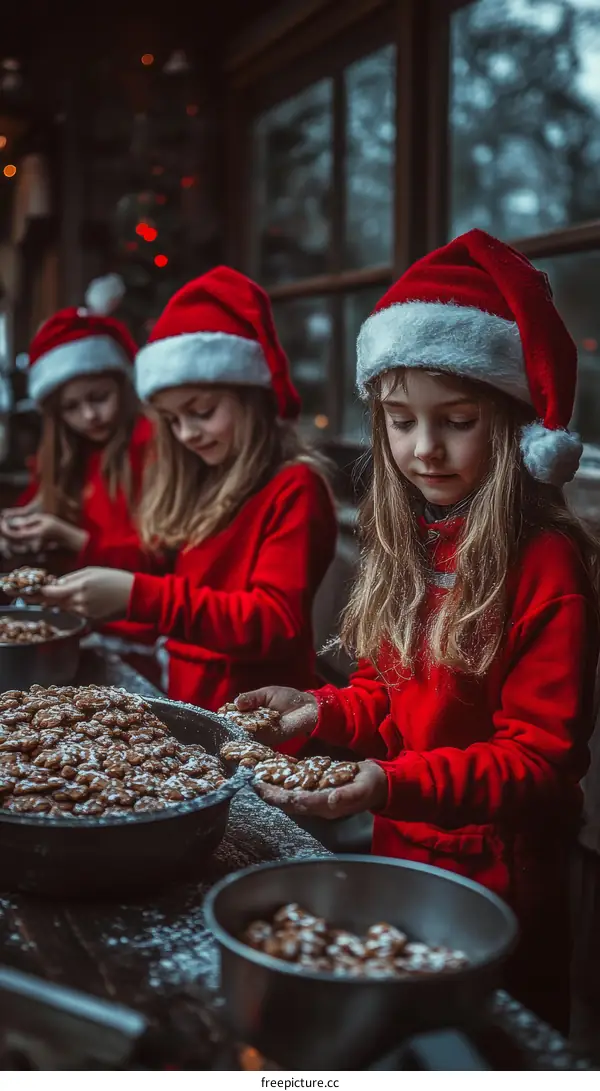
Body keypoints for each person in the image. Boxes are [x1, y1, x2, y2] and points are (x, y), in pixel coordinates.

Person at [231, 229, 600, 1032]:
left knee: (488, 1042)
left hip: (504, 879)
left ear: (510, 424)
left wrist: (391, 783)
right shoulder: (416, 537)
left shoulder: (546, 566)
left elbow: (540, 760)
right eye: (399, 421)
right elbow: (386, 694)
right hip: (405, 848)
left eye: (456, 420)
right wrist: (321, 714)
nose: (422, 448)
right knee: (404, 1036)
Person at [33, 267, 338, 712]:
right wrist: (78, 560)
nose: (187, 434)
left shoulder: (295, 488)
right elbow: (157, 560)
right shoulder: (203, 478)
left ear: (252, 398)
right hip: (192, 705)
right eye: (173, 420)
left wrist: (139, 597)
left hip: (259, 721)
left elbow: (274, 623)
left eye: (202, 411)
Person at [0, 274, 158, 680]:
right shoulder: (67, 454)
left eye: (98, 398)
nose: (88, 416)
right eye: (72, 407)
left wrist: (72, 537)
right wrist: (18, 527)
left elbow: (158, 556)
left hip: (141, 636)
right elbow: (38, 504)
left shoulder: (151, 448)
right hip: (78, 625)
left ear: (123, 387)